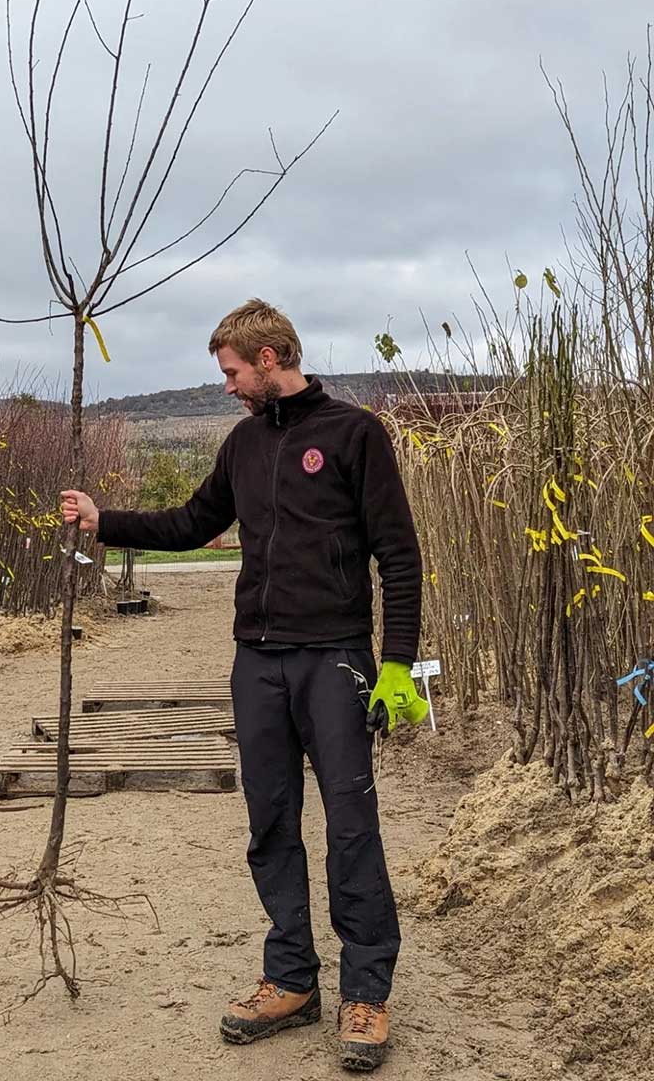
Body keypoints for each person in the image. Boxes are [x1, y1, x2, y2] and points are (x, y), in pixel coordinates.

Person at [61, 298, 426, 1074]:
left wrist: (397, 662)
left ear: (268, 358)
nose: (225, 385)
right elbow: (191, 523)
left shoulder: (355, 435)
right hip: (255, 660)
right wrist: (105, 520)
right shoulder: (242, 446)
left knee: (352, 828)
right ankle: (292, 979)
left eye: (230, 371)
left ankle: (367, 991)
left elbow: (400, 556)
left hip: (334, 658)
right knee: (269, 824)